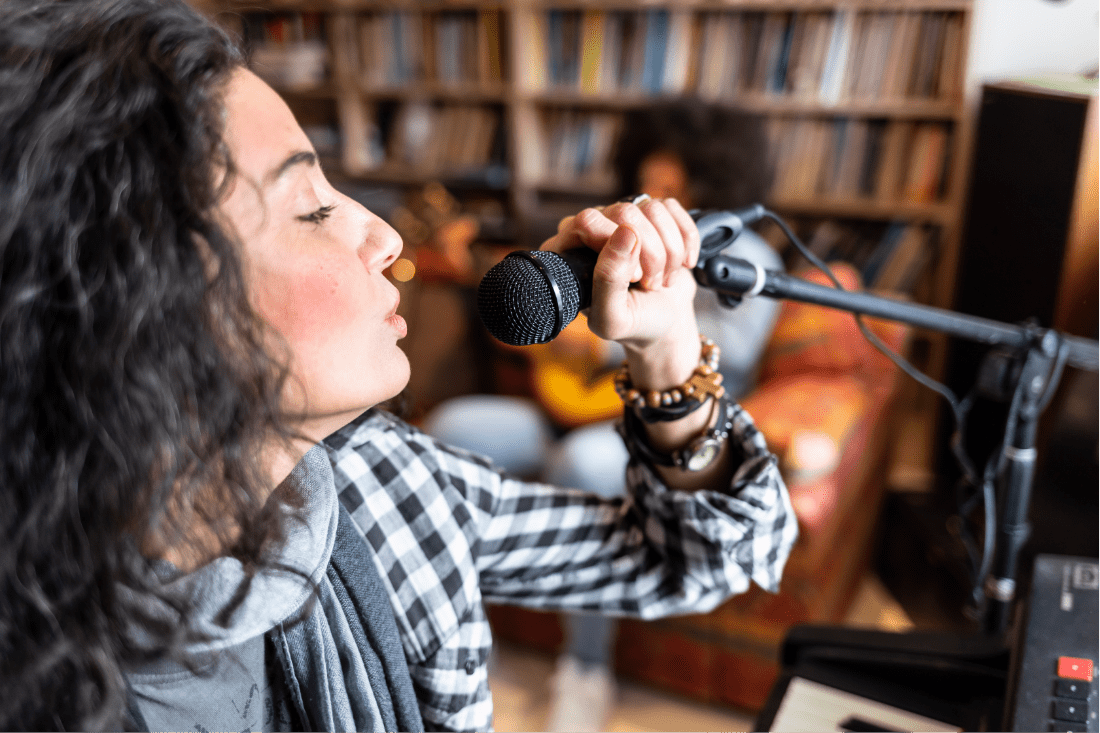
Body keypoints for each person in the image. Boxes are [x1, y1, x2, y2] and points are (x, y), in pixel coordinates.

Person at [0, 3, 797, 732]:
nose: (384, 237)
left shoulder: (388, 486)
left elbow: (705, 559)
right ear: (133, 304)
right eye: (313, 208)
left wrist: (665, 352)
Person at [424, 101, 786, 730]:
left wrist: (602, 343)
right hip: (565, 412)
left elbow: (729, 348)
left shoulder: (746, 257)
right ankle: (444, 640)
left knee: (583, 462)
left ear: (714, 183)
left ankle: (585, 665)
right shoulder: (620, 240)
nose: (657, 198)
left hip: (647, 433)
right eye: (650, 182)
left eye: (676, 187)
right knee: (448, 431)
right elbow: (541, 326)